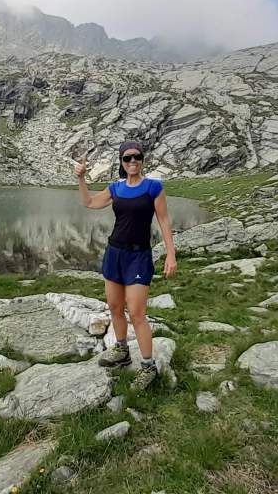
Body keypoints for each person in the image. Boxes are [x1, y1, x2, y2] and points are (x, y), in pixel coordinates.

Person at [76, 141, 177, 392]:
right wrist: (81, 178)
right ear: (121, 162)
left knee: (137, 313)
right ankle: (121, 350)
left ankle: (148, 367)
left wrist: (171, 255)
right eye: (127, 158)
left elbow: (164, 221)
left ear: (142, 160)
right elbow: (89, 203)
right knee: (114, 306)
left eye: (137, 157)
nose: (133, 162)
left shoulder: (153, 187)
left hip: (139, 256)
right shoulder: (116, 188)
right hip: (115, 253)